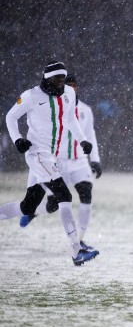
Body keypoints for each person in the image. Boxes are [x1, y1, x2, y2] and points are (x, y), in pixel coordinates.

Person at [0, 61, 98, 266]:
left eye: (63, 78)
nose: (61, 83)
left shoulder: (68, 93)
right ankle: (76, 251)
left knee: (28, 206)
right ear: (46, 78)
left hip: (51, 156)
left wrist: (83, 140)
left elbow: (70, 119)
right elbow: (11, 116)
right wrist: (18, 138)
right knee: (64, 195)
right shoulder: (32, 95)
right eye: (56, 79)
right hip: (37, 154)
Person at [19, 74, 102, 250]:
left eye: (74, 85)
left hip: (79, 160)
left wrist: (95, 159)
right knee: (53, 204)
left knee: (86, 193)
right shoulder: (55, 108)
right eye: (68, 85)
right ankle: (34, 211)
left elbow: (90, 134)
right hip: (58, 160)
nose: (72, 88)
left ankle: (79, 239)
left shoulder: (86, 110)